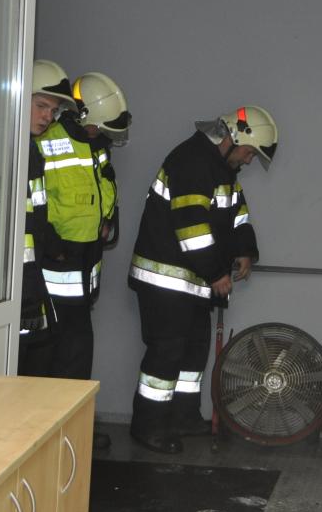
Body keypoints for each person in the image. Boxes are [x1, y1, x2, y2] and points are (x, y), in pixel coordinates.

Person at [127, 106, 278, 454]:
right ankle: (148, 426)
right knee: (166, 354)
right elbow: (191, 228)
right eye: (249, 152)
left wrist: (245, 250)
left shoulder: (223, 169)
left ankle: (183, 417)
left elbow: (237, 215)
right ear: (234, 138)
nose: (249, 160)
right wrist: (216, 273)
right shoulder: (192, 162)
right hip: (164, 282)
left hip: (192, 284)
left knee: (193, 351)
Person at [34, 64, 125, 448]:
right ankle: (61, 431)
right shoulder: (46, 141)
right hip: (56, 262)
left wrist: (108, 220)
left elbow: (105, 186)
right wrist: (52, 244)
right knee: (66, 347)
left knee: (76, 345)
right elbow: (37, 200)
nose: (97, 132)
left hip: (86, 258)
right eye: (95, 126)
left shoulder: (96, 145)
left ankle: (71, 428)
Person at [17, 60, 72, 376]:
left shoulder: (30, 151)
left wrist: (53, 245)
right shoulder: (6, 148)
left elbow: (36, 215)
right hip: (13, 283)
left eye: (52, 111)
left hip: (28, 279)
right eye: (41, 106)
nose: (47, 117)